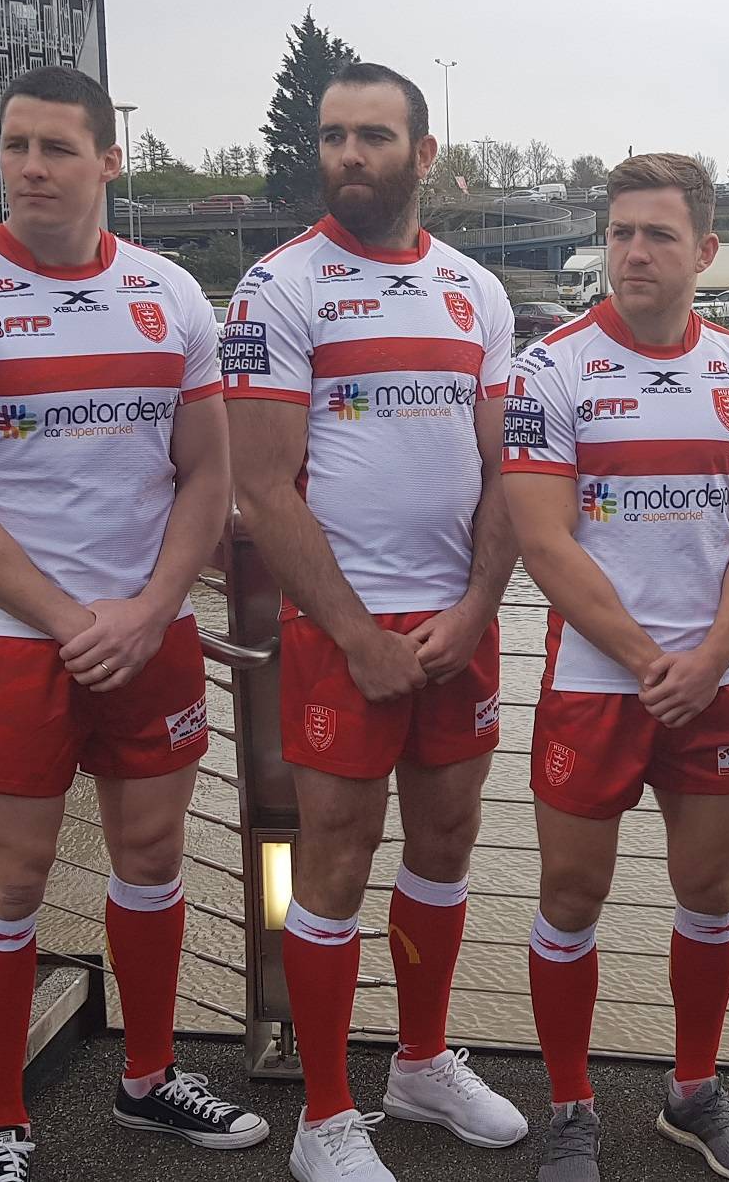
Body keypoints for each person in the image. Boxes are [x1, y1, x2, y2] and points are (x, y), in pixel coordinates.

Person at [0, 65, 265, 1182]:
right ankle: (4, 1121)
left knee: (151, 854)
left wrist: (147, 610)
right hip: (16, 641)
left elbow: (207, 477)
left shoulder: (173, 294)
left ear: (109, 160)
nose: (32, 168)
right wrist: (67, 618)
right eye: (15, 147)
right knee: (11, 878)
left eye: (56, 147)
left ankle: (148, 1079)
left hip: (149, 635)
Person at [224, 62, 525, 1182]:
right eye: (333, 135)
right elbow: (262, 482)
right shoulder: (277, 287)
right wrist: (352, 630)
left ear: (424, 152)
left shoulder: (476, 291)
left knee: (445, 843)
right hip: (341, 628)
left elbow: (509, 468)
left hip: (457, 620)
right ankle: (325, 1115)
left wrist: (479, 604)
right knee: (334, 863)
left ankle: (423, 1059)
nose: (350, 154)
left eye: (374, 136)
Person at [503, 152, 729, 1182]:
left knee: (709, 887)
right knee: (571, 895)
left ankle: (693, 1089)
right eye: (620, 231)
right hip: (594, 681)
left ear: (704, 251)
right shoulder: (553, 367)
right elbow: (544, 539)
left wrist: (708, 658)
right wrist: (644, 656)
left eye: (658, 234)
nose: (633, 250)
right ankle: (572, 1103)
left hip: (717, 683)